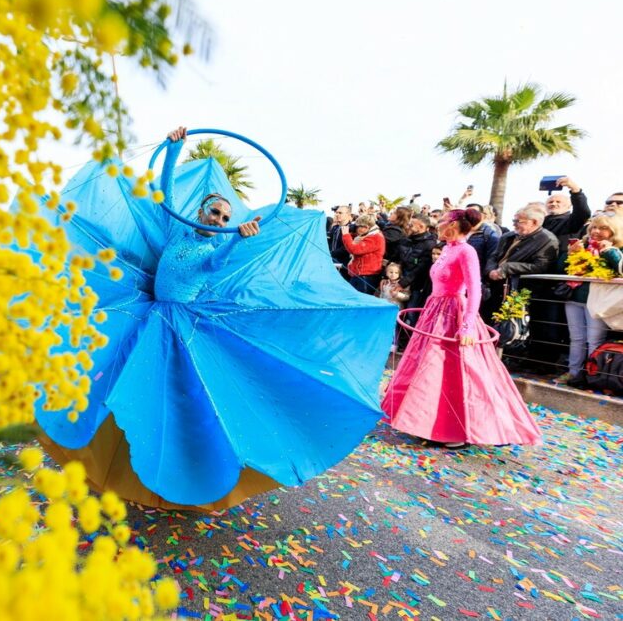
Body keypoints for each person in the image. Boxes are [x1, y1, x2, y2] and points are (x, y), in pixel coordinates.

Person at [35, 126, 395, 510]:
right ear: (201, 212)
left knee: (171, 396)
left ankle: (175, 472)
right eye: (216, 213)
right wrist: (175, 148)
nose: (220, 220)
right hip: (149, 313)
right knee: (121, 379)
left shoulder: (215, 247)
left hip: (178, 326)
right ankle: (108, 457)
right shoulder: (178, 229)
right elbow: (166, 192)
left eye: (225, 217)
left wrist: (238, 238)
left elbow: (215, 263)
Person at [382, 209, 542, 448]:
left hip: (453, 313)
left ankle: (457, 429)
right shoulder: (447, 248)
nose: (437, 224)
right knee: (430, 370)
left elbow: (474, 290)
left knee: (454, 371)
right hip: (435, 311)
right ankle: (427, 423)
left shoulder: (467, 251)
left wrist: (466, 327)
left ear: (453, 226)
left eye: (442, 221)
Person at [560, 215, 623, 387]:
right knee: (576, 338)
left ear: (614, 231)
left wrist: (609, 252)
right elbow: (561, 269)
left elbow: (620, 268)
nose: (596, 231)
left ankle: (592, 375)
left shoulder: (618, 249)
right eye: (593, 227)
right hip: (575, 298)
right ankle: (573, 373)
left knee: (594, 339)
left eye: (602, 228)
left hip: (599, 302)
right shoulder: (583, 246)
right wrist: (570, 254)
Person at [340, 213, 386, 295]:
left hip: (366, 276)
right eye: (357, 226)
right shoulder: (366, 236)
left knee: (360, 299)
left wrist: (346, 235)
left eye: (360, 226)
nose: (358, 229)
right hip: (360, 275)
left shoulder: (375, 237)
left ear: (367, 227)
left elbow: (354, 250)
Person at [543, 177, 591, 253]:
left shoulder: (571, 221)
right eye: (550, 202)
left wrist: (576, 190)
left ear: (569, 206)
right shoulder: (540, 223)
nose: (553, 204)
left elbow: (583, 212)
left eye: (558, 202)